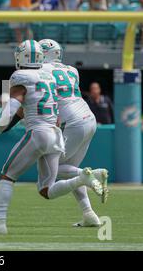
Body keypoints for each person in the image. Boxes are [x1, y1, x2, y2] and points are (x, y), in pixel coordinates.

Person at [0, 40, 104, 234]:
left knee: (10, 175)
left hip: (52, 127)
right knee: (55, 181)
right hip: (79, 121)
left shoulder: (30, 74)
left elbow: (16, 109)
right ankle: (88, 209)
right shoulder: (67, 72)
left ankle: (0, 225)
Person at [39, 39, 108, 225]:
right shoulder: (72, 70)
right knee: (73, 173)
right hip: (88, 117)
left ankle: (93, 175)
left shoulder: (41, 70)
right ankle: (89, 214)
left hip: (73, 121)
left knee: (52, 170)